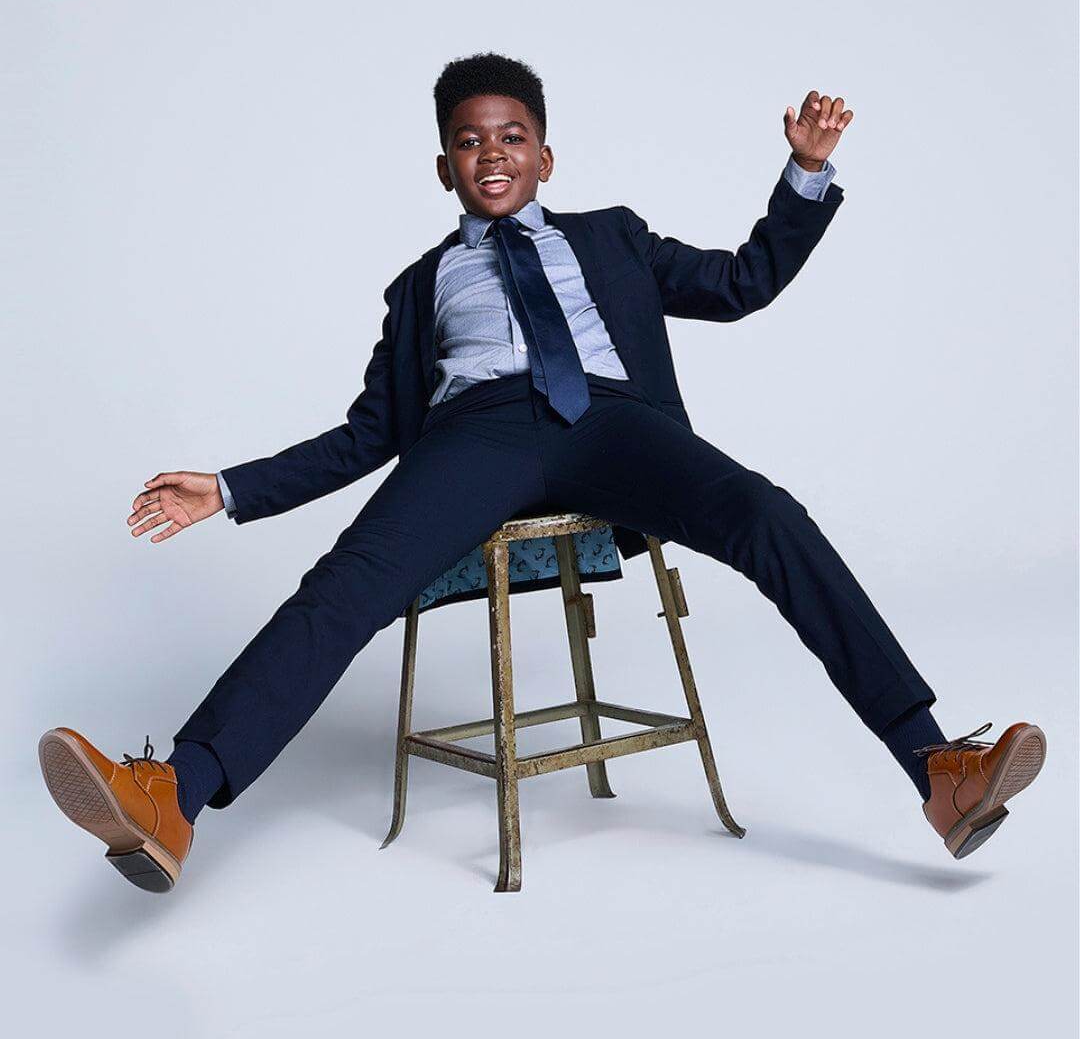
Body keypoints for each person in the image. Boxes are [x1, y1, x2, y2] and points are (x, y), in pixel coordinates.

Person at [38, 53, 1046, 894]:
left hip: (615, 424)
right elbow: (369, 432)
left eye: (512, 137)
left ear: (545, 156)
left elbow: (743, 283)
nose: (492, 154)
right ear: (444, 166)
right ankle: (173, 797)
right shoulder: (422, 285)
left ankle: (936, 768)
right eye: (470, 141)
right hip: (476, 437)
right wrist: (231, 486)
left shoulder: (613, 236)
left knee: (767, 514)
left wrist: (806, 171)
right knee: (344, 586)